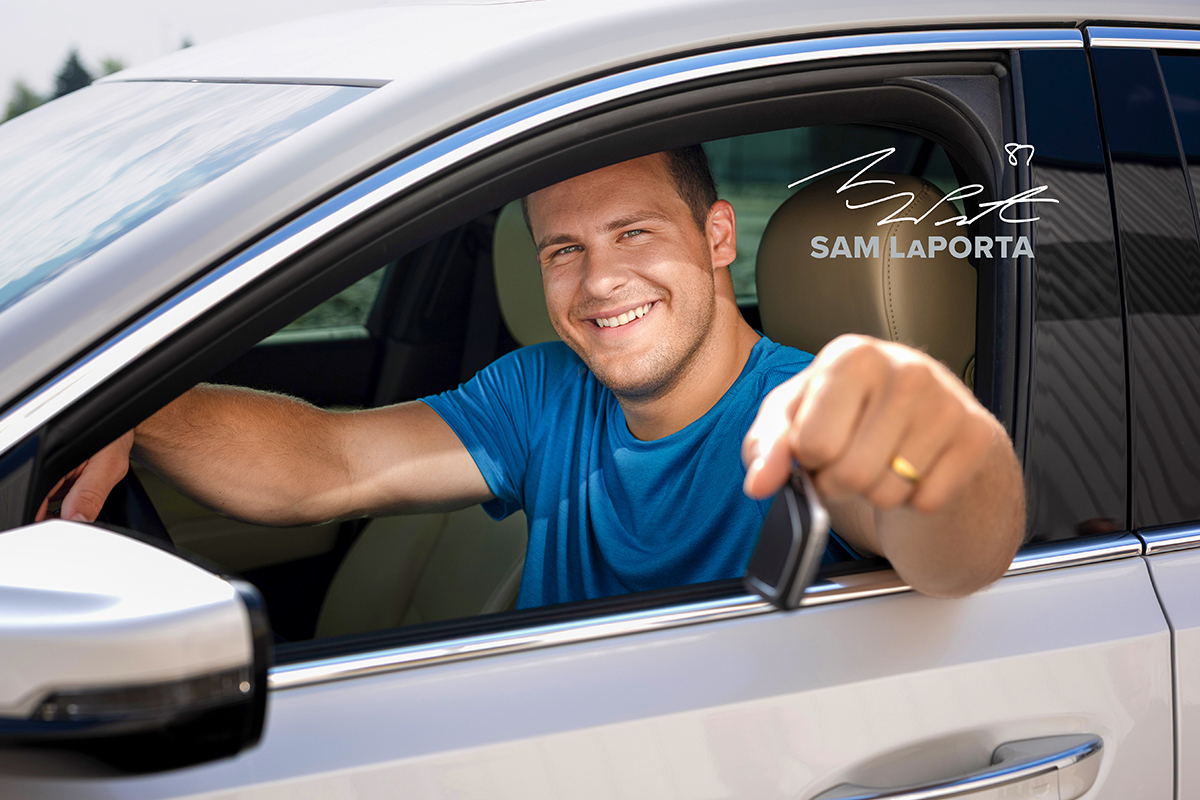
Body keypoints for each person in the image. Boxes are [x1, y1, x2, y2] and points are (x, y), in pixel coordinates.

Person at [40, 147, 1025, 604]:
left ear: (718, 235)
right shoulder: (543, 389)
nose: (599, 281)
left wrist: (946, 449)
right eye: (564, 249)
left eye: (634, 233)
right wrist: (137, 403)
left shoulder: (815, 412)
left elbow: (960, 550)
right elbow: (327, 464)